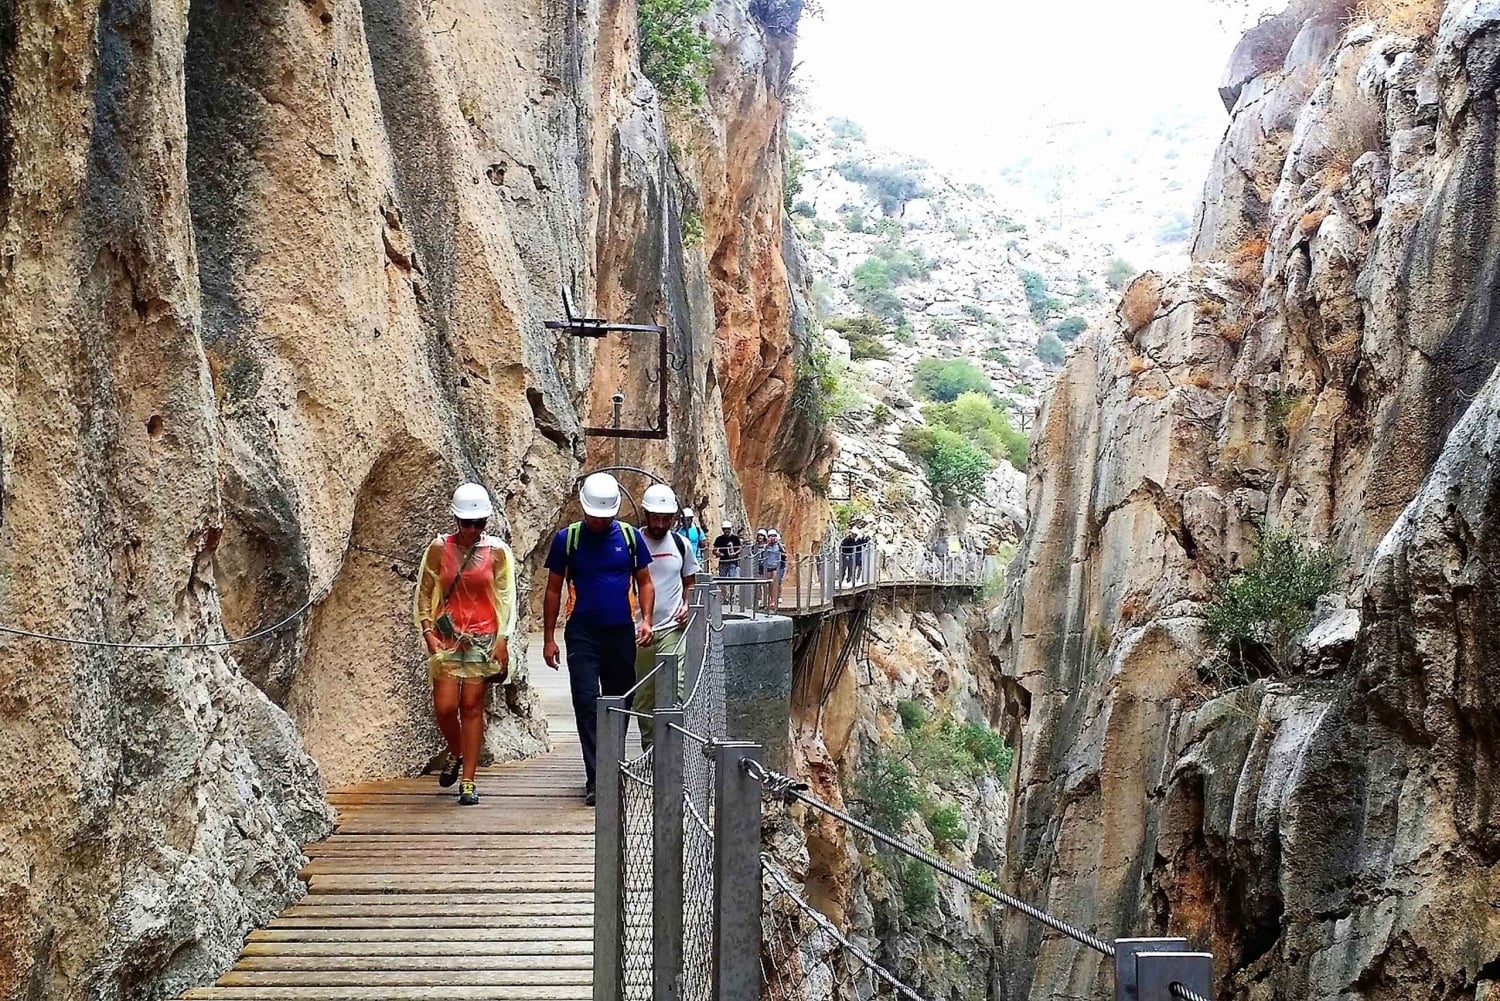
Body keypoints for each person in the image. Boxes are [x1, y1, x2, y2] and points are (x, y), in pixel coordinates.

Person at [542, 472, 654, 806]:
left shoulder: (631, 538)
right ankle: (597, 778)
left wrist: (646, 619)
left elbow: (644, 581)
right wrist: (549, 637)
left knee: (620, 701)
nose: (599, 522)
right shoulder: (568, 539)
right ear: (583, 509)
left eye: (605, 517)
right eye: (594, 515)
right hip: (582, 634)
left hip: (620, 631)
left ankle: (612, 764)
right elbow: (552, 588)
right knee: (586, 701)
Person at [413, 483, 517, 807]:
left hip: (482, 637)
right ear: (456, 520)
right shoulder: (438, 548)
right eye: (467, 523)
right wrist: (427, 630)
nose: (473, 529)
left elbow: (506, 597)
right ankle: (456, 752)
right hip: (447, 636)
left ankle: (469, 781)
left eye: (480, 523)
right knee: (444, 707)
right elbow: (424, 589)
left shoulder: (497, 552)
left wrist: (503, 640)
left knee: (471, 706)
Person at [632, 484, 699, 748]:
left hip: (672, 626)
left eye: (665, 519)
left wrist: (687, 603)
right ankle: (651, 748)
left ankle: (674, 746)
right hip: (639, 631)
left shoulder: (680, 544)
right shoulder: (632, 542)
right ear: (646, 514)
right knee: (645, 695)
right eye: (655, 518)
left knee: (676, 687)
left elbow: (689, 581)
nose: (660, 524)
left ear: (673, 519)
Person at [763, 529, 787, 608]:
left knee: (774, 583)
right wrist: (767, 543)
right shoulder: (766, 546)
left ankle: (773, 600)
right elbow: (762, 552)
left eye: (774, 536)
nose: (772, 538)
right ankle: (769, 599)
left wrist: (778, 543)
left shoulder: (779, 546)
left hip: (776, 567)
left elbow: (784, 552)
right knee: (769, 584)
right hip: (768, 566)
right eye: (770, 536)